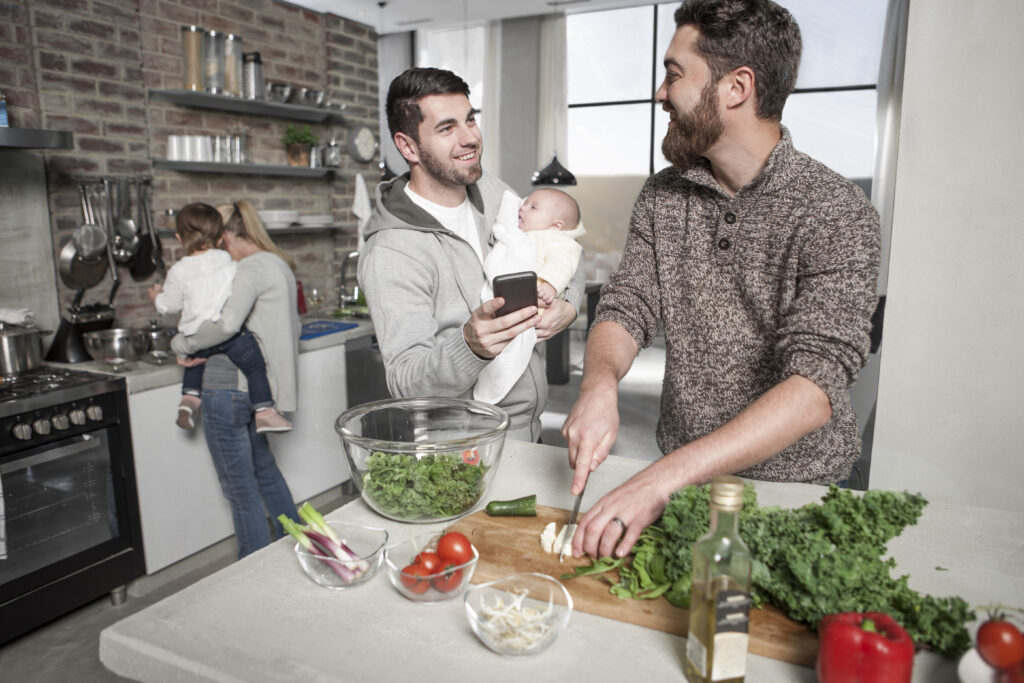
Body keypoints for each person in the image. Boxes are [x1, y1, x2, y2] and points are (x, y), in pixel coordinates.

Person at [563, 0, 881, 560]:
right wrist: (598, 387)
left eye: (674, 73)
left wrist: (660, 477)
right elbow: (628, 303)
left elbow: (815, 386)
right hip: (685, 489)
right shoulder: (665, 195)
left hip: (795, 494)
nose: (661, 93)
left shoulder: (836, 209)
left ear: (736, 88)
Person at [358, 67, 585, 442]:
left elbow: (561, 242)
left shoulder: (491, 192)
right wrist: (469, 347)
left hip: (528, 429)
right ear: (408, 147)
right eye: (447, 128)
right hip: (462, 448)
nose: (470, 139)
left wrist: (569, 304)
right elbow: (406, 383)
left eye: (470, 120)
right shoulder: (391, 252)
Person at [170, 200, 301, 559]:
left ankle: (251, 579)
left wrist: (180, 342)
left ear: (226, 236)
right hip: (256, 394)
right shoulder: (278, 264)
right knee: (265, 472)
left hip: (228, 388)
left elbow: (224, 326)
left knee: (240, 490)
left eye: (216, 240)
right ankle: (303, 548)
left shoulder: (248, 269)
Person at [149, 203, 292, 434]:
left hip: (196, 335)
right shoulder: (232, 263)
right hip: (232, 341)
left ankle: (189, 400)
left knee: (195, 360)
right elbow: (231, 313)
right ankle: (265, 411)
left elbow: (170, 305)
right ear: (219, 239)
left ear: (178, 237)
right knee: (255, 364)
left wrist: (157, 298)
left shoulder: (177, 271)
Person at [515, 188, 585, 307]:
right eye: (525, 203)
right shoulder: (522, 233)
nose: (522, 207)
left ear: (556, 226)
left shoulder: (557, 239)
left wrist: (550, 284)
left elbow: (562, 263)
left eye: (533, 207)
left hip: (539, 296)